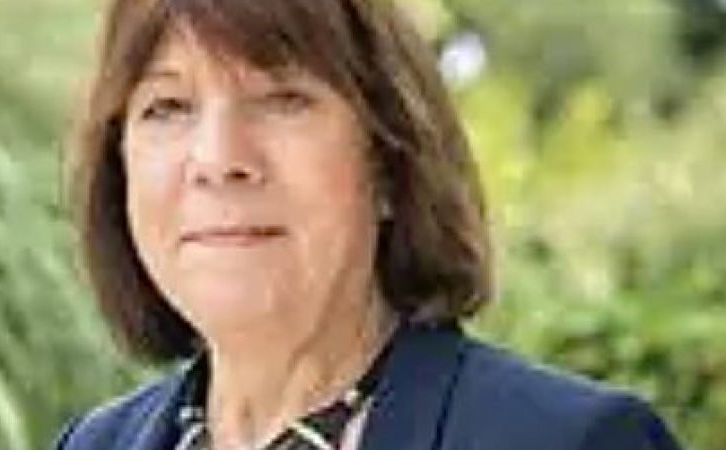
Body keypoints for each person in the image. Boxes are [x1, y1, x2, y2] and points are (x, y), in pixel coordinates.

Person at [55, 0, 683, 448]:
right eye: (167, 107)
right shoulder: (92, 444)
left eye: (283, 99)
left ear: (386, 161)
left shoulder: (570, 440)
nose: (219, 160)